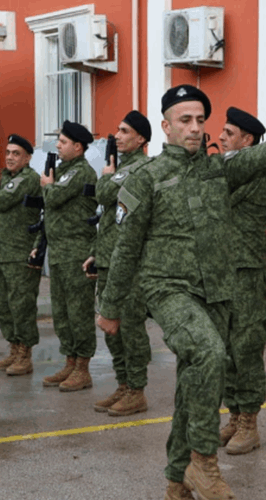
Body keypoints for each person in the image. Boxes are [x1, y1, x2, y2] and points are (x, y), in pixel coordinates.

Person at [97, 85, 266, 500]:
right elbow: (126, 247)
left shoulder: (217, 170)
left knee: (195, 378)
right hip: (168, 289)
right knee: (209, 353)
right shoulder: (145, 179)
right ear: (166, 126)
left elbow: (264, 155)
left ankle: (177, 479)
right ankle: (203, 462)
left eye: (199, 120)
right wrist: (110, 305)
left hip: (217, 291)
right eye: (185, 120)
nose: (194, 128)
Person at [84, 110, 152, 416]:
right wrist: (97, 254)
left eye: (125, 131)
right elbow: (109, 216)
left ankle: (137, 389)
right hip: (110, 258)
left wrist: (107, 178)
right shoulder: (120, 168)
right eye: (117, 130)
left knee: (130, 327)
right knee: (110, 327)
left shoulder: (141, 168)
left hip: (131, 263)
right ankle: (123, 384)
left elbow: (104, 193)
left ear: (141, 138)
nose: (118, 136)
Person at [216, 107, 266, 456]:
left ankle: (249, 421)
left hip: (247, 274)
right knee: (226, 350)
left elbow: (216, 201)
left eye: (228, 133)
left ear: (247, 141)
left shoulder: (249, 173)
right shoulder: (226, 169)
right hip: (224, 273)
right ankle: (234, 414)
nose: (220, 137)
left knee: (246, 348)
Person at [36, 121, 98, 392]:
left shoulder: (81, 172)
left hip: (76, 253)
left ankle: (83, 368)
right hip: (60, 252)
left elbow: (55, 198)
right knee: (61, 312)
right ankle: (70, 362)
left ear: (78, 146)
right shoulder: (64, 171)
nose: (58, 146)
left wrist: (47, 186)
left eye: (62, 142)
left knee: (79, 311)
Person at [0, 134, 43, 376]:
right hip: (2, 252)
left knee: (21, 306)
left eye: (16, 153)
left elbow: (1, 201)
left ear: (28, 158)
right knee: (4, 307)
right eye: (8, 152)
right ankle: (13, 349)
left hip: (20, 253)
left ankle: (25, 354)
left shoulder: (27, 179)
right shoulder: (7, 177)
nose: (9, 157)